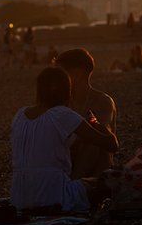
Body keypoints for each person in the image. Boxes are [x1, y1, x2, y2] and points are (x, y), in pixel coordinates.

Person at [10, 67, 118, 213]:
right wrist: (96, 123)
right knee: (111, 183)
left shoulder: (20, 114)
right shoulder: (62, 114)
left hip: (19, 197)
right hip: (53, 196)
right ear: (66, 91)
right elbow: (111, 145)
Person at [55, 49, 117, 179]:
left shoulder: (102, 101)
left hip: (96, 175)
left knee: (92, 137)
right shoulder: (63, 102)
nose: (55, 79)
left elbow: (98, 141)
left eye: (59, 74)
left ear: (76, 75)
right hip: (68, 169)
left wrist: (74, 182)